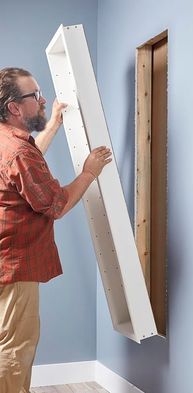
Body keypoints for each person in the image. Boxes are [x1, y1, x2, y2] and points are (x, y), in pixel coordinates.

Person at [0, 67, 112, 393]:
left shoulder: (9, 142)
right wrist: (90, 172)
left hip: (4, 263)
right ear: (14, 108)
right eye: (34, 95)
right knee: (15, 348)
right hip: (14, 267)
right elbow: (56, 204)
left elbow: (24, 168)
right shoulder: (19, 152)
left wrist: (53, 124)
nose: (43, 98)